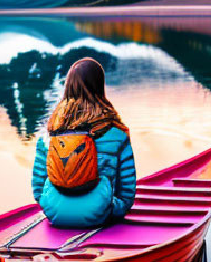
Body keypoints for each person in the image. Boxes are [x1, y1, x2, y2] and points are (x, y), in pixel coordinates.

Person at [32, 57, 136, 228]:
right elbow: (126, 195)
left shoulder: (48, 135)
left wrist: (54, 209)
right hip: (101, 213)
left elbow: (38, 188)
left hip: (54, 212)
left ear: (68, 86)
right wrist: (108, 209)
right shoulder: (117, 135)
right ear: (100, 87)